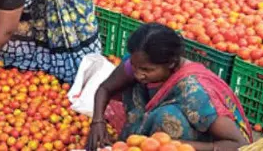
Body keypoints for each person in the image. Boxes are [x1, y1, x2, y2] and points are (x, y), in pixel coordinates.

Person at [86, 23, 252, 150]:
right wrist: (98, 121)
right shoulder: (138, 63)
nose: (138, 73)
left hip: (199, 144)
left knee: (167, 115)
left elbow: (238, 144)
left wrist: (175, 145)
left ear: (171, 63)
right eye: (135, 66)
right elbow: (105, 88)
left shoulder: (194, 91)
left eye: (146, 70)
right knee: (132, 87)